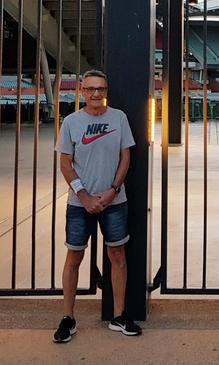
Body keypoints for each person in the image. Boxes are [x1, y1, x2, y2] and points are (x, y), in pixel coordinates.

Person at [53, 70, 141, 343]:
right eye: (90, 89)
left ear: (106, 91)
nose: (96, 93)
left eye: (101, 88)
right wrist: (85, 196)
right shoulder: (71, 122)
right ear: (82, 91)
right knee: (74, 258)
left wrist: (113, 190)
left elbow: (125, 156)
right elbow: (65, 162)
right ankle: (68, 317)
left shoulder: (119, 118)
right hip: (80, 203)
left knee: (118, 256)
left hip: (114, 200)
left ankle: (118, 315)